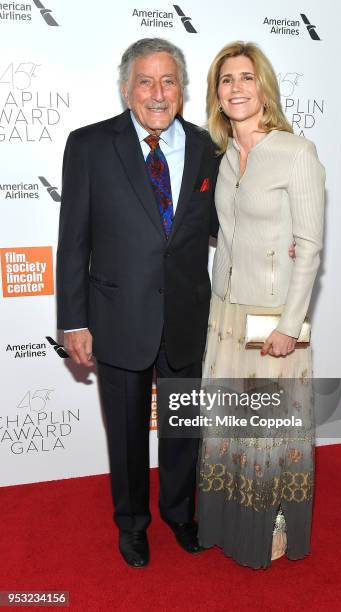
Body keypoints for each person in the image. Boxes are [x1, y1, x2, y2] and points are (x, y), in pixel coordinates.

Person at [56, 38, 220, 568]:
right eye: (145, 81)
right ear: (126, 88)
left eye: (168, 81)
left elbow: (223, 226)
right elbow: (73, 241)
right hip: (118, 317)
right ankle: (131, 524)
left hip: (187, 317)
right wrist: (74, 320)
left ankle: (179, 512)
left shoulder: (205, 148)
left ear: (183, 89)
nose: (157, 92)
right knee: (126, 435)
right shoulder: (88, 145)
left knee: (181, 429)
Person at [197, 41, 325, 569]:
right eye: (226, 80)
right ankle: (225, 526)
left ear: (263, 87)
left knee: (270, 431)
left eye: (246, 77)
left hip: (273, 318)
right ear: (217, 94)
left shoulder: (296, 152)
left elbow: (310, 246)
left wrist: (290, 325)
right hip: (226, 314)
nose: (236, 88)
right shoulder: (223, 157)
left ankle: (270, 531)